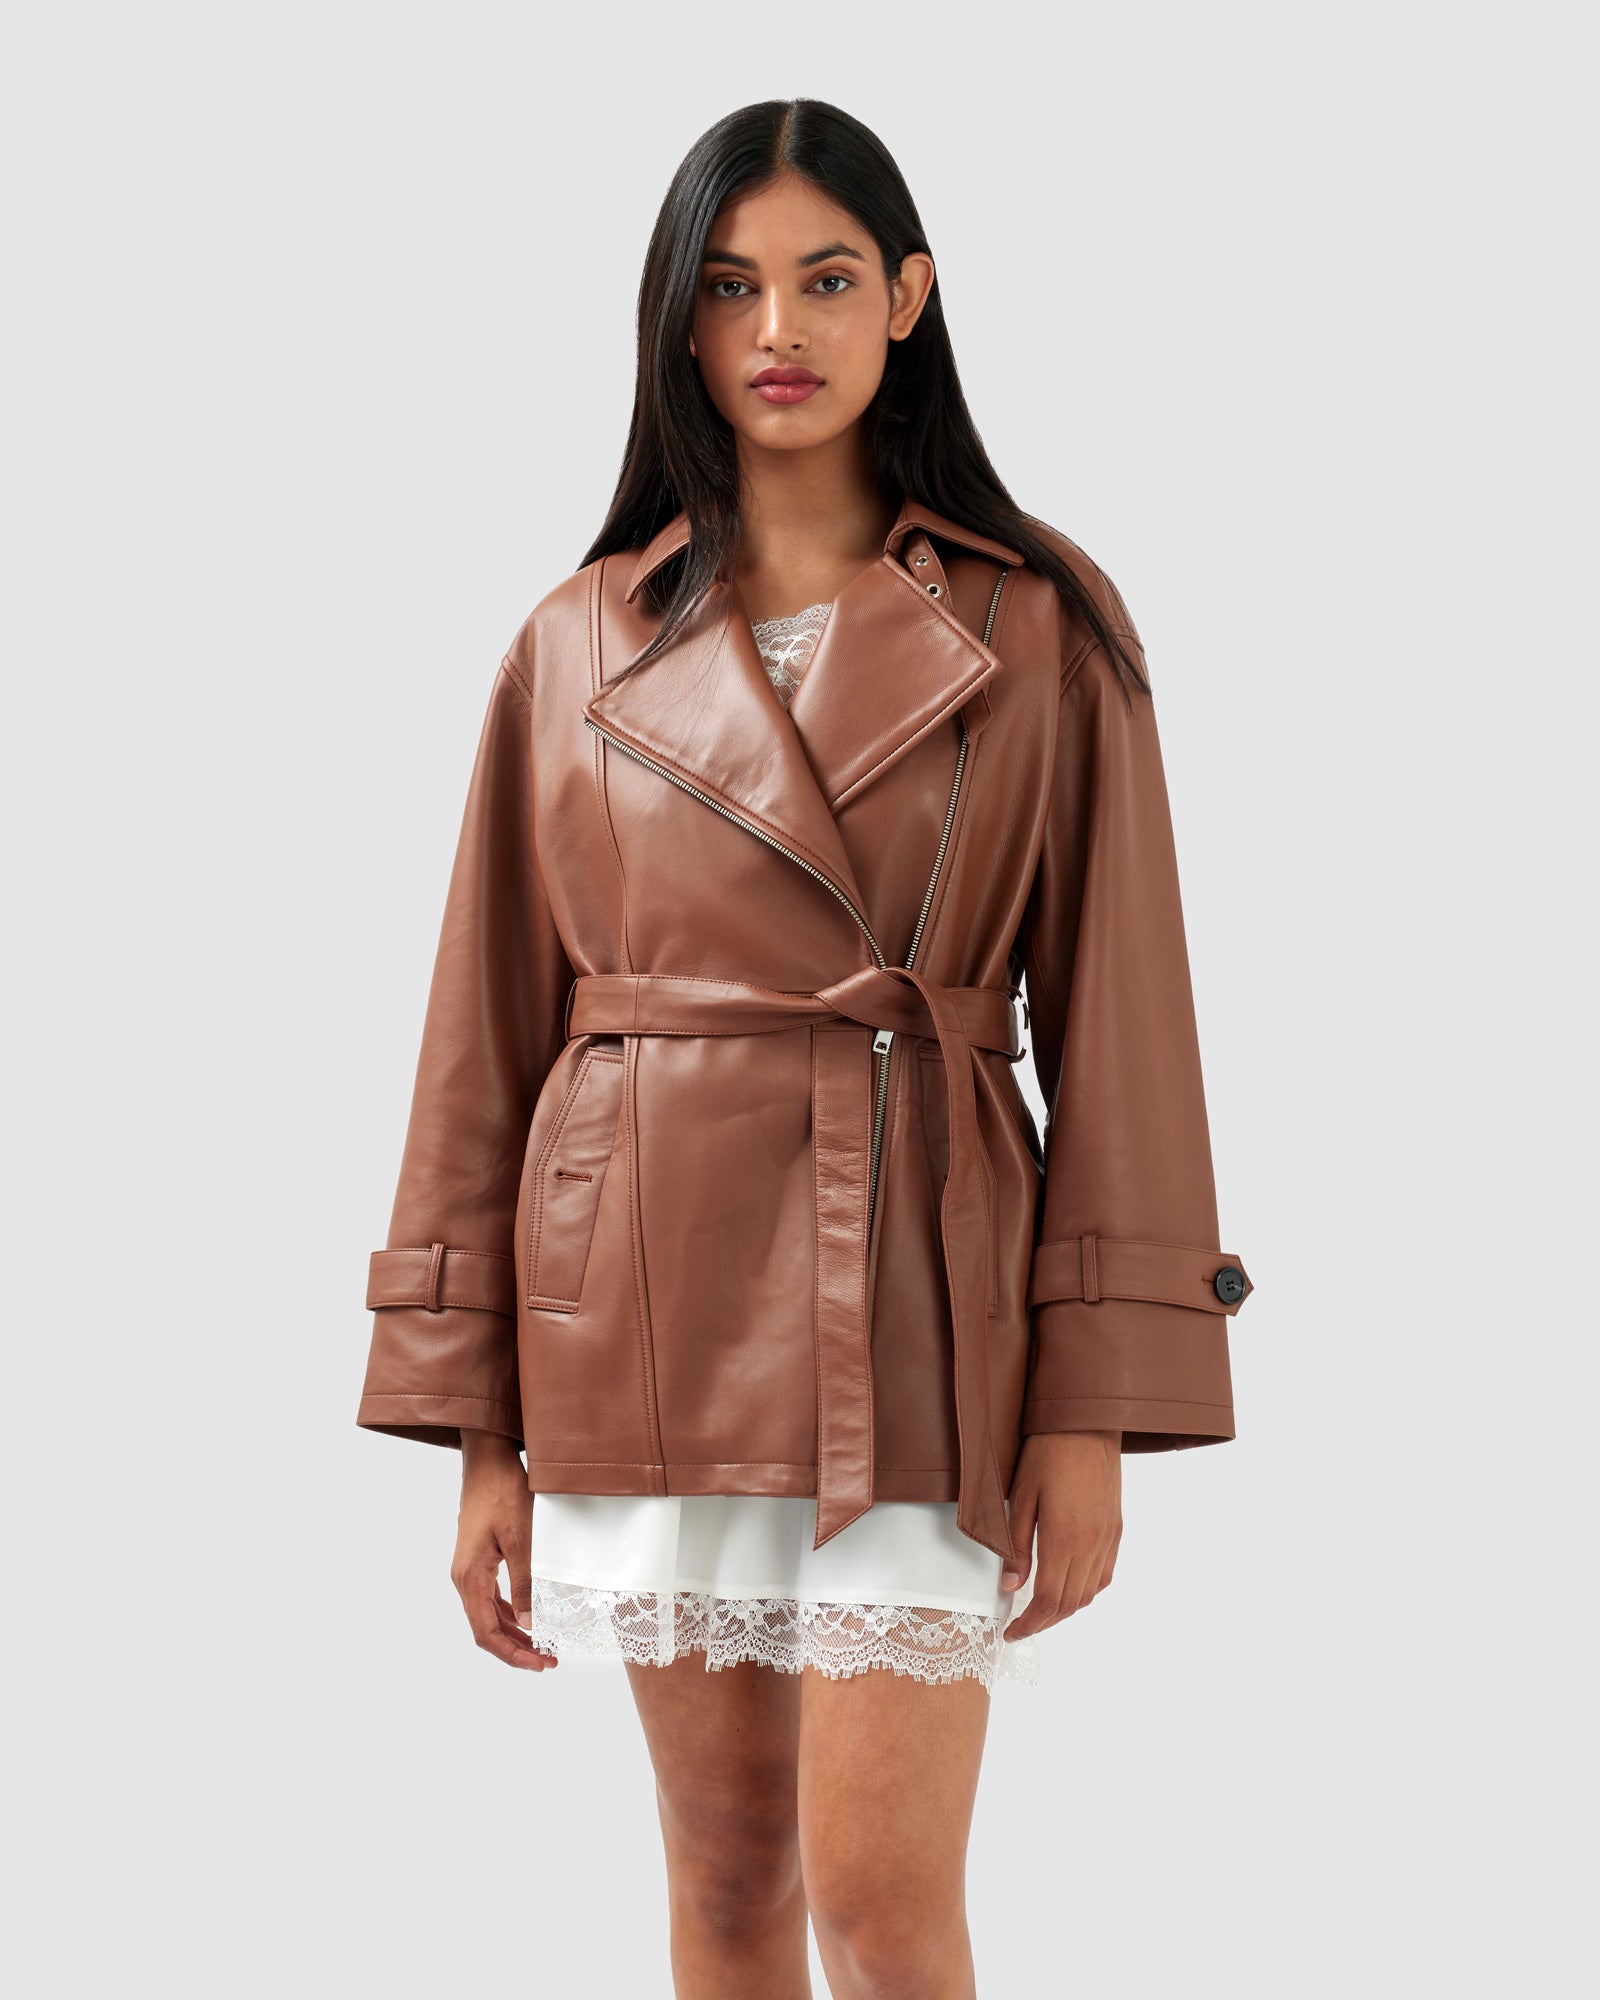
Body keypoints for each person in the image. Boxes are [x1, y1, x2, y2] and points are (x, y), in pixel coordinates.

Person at [357, 96, 1252, 1998]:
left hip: (919, 1298)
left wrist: (1091, 1403)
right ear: (676, 321)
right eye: (729, 285)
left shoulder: (1041, 628)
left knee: (883, 1901)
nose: (778, 327)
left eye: (827, 279)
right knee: (730, 1871)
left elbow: (1127, 1033)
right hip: (640, 1303)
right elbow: (481, 1043)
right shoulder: (572, 642)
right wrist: (477, 1428)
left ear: (909, 297)